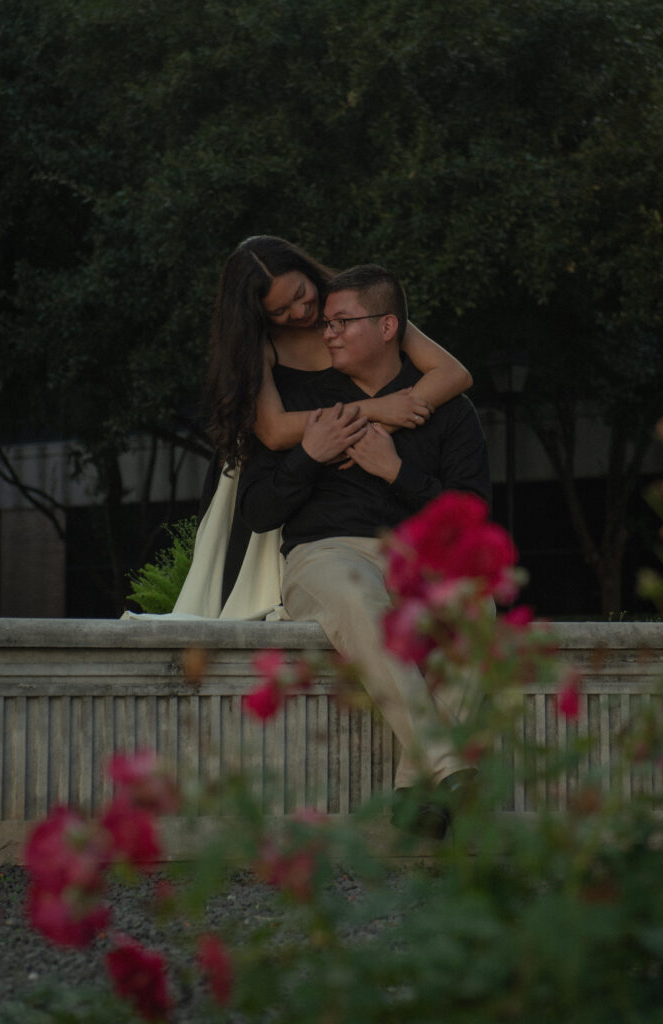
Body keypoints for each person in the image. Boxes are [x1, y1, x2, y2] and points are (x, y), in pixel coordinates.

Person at [237, 264, 492, 838]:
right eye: (324, 322)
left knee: (477, 606)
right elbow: (257, 512)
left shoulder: (446, 408)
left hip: (418, 557)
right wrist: (310, 454)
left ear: (387, 328)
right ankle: (451, 766)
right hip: (327, 556)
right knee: (362, 600)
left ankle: (414, 790)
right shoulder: (304, 403)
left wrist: (397, 472)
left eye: (340, 322)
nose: (323, 332)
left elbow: (472, 520)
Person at [170, 236, 473, 620]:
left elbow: (453, 373)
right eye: (280, 309)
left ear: (307, 270)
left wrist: (382, 428)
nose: (301, 312)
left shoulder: (353, 307)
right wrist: (374, 409)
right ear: (257, 313)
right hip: (290, 483)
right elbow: (276, 431)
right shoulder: (260, 346)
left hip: (371, 506)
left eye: (301, 293)